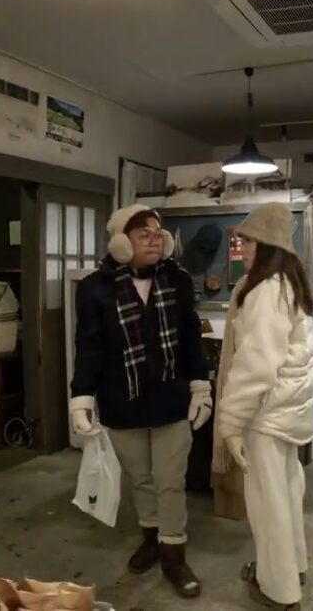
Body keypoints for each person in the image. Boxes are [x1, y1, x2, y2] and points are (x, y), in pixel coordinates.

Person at [69, 204, 212, 598]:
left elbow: (190, 338)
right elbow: (89, 347)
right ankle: (151, 538)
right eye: (143, 233)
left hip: (171, 398)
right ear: (121, 242)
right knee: (141, 479)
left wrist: (201, 386)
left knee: (170, 481)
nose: (154, 238)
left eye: (157, 232)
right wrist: (81, 397)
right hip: (122, 400)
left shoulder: (177, 281)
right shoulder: (95, 288)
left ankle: (173, 553)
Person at [215, 204, 313, 610]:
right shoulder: (288, 282)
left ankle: (279, 589)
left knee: (267, 503)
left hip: (266, 414)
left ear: (267, 244)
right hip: (287, 410)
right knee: (288, 492)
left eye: (248, 240)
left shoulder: (264, 291)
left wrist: (230, 423)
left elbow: (255, 366)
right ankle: (293, 567)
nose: (242, 249)